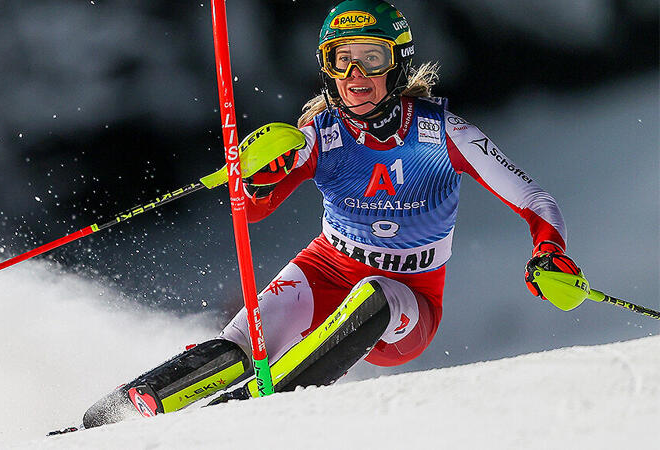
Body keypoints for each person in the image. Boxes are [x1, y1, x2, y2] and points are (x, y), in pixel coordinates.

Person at [81, 0, 581, 427]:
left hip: (410, 299)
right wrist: (258, 178)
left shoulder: (444, 133)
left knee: (375, 294)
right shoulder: (319, 134)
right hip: (326, 266)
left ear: (398, 65)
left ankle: (245, 411)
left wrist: (549, 252)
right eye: (341, 61)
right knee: (240, 344)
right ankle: (115, 415)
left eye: (371, 58)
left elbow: (535, 199)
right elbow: (253, 211)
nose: (355, 76)